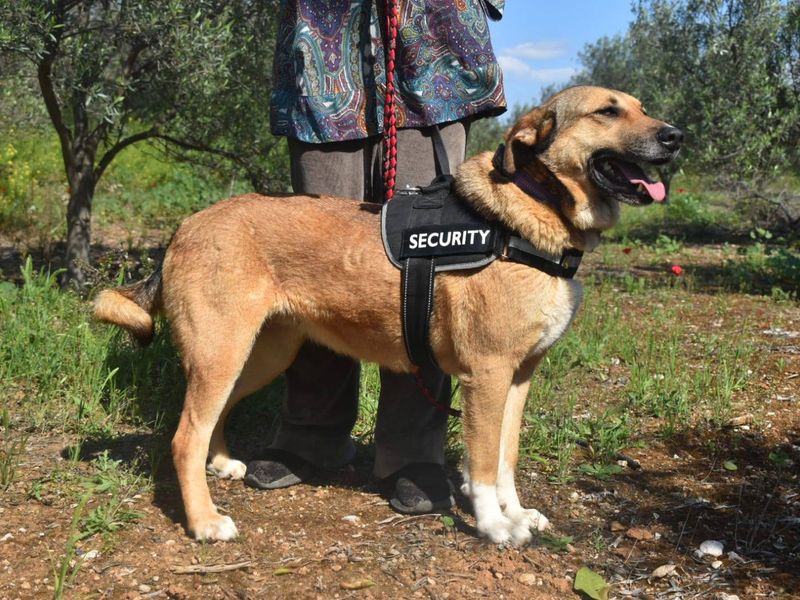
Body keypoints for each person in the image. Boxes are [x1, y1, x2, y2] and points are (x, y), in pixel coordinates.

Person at [245, 0, 507, 514]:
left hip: (433, 56)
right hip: (325, 47)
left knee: (425, 260)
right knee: (316, 255)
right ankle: (311, 434)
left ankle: (412, 451)